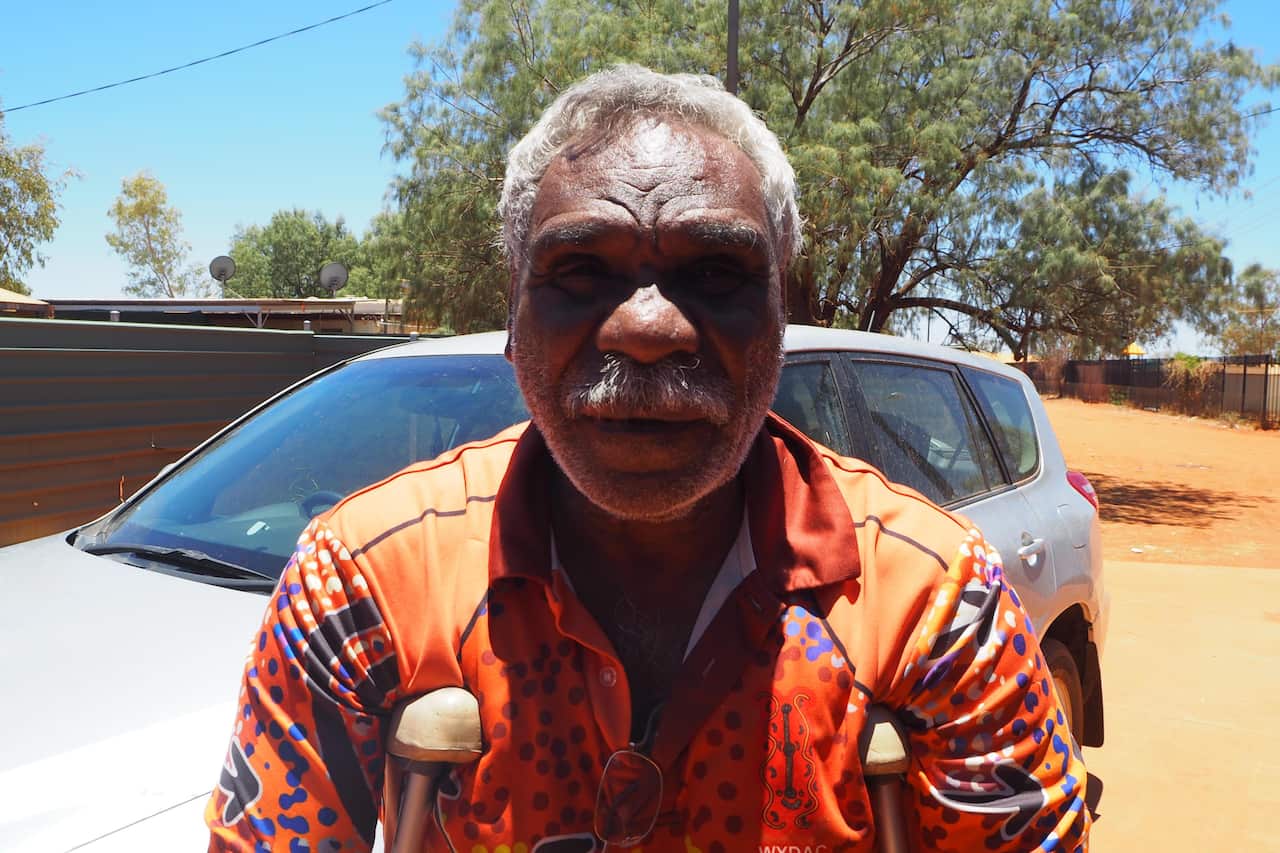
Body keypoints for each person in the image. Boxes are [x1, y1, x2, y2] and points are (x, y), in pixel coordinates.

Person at [207, 65, 1090, 852]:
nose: (648, 327)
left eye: (714, 273)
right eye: (582, 270)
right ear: (514, 325)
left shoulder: (934, 604)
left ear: (780, 324)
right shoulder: (364, 585)